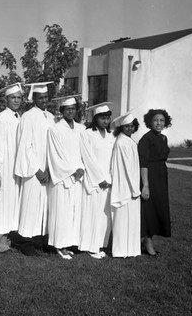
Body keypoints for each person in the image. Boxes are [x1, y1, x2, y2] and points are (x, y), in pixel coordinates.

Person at [14, 82, 55, 256]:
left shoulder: (51, 117)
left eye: (46, 97)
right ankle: (26, 243)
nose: (44, 100)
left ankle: (41, 240)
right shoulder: (28, 116)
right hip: (34, 171)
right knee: (30, 205)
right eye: (41, 97)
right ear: (34, 99)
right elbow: (25, 146)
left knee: (45, 206)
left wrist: (51, 168)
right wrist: (37, 169)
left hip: (49, 169)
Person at [47, 95, 85, 260]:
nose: (71, 111)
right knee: (61, 212)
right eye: (67, 109)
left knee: (73, 212)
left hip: (78, 176)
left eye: (73, 108)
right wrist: (71, 170)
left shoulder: (81, 129)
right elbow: (54, 155)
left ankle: (69, 243)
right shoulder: (55, 130)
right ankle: (59, 245)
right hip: (63, 177)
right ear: (62, 111)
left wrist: (82, 168)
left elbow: (85, 152)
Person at [0, 83, 23, 253]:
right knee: (1, 204)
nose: (16, 100)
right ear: (6, 99)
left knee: (11, 204)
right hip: (3, 168)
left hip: (15, 168)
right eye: (13, 97)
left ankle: (7, 240)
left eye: (19, 97)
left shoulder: (19, 118)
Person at [79, 102, 115, 259]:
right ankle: (90, 246)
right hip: (94, 180)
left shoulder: (111, 136)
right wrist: (100, 178)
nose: (105, 121)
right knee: (92, 213)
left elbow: (114, 158)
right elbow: (88, 158)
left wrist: (110, 178)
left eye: (107, 118)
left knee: (104, 215)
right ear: (95, 118)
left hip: (108, 180)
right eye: (102, 118)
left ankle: (101, 244)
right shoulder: (87, 134)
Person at [138, 109, 172, 256]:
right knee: (149, 210)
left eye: (162, 121)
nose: (159, 123)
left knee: (159, 208)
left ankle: (146, 240)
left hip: (161, 177)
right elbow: (143, 163)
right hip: (149, 176)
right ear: (150, 122)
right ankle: (147, 241)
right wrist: (145, 185)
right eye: (156, 120)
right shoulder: (146, 139)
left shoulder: (163, 138)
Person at [110, 111, 141, 258]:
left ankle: (131, 250)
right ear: (121, 127)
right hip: (126, 186)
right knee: (122, 219)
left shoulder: (129, 141)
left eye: (132, 126)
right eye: (126, 126)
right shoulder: (122, 143)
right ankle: (121, 250)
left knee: (132, 219)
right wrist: (135, 190)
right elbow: (128, 169)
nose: (129, 128)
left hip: (130, 185)